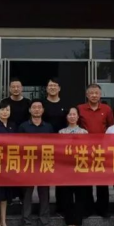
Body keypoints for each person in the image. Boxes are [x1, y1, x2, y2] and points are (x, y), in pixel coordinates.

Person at [18, 100, 55, 226]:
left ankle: (46, 223)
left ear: (43, 110)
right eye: (34, 107)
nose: (37, 110)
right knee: (27, 195)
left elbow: (54, 146)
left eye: (39, 107)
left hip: (44, 164)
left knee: (44, 195)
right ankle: (26, 224)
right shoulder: (23, 126)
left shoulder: (48, 127)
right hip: (28, 164)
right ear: (30, 110)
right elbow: (18, 145)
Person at [77, 84, 114, 219]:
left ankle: (102, 209)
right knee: (86, 180)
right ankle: (87, 208)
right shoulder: (80, 108)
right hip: (85, 150)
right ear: (87, 95)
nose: (94, 95)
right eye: (91, 93)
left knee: (102, 180)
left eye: (96, 93)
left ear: (100, 95)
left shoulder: (106, 109)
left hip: (101, 150)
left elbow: (111, 127)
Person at [59, 107, 89, 226]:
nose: (72, 116)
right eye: (70, 114)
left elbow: (87, 150)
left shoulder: (84, 132)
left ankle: (77, 222)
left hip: (80, 168)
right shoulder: (61, 132)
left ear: (78, 117)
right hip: (66, 169)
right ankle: (69, 221)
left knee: (80, 196)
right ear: (67, 117)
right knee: (67, 196)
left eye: (74, 114)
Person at [42, 78, 69, 217]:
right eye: (50, 85)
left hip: (61, 146)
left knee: (61, 177)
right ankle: (44, 208)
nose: (52, 87)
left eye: (55, 85)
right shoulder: (41, 105)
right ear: (46, 88)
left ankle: (61, 207)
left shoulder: (66, 104)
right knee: (44, 176)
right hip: (45, 146)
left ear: (59, 88)